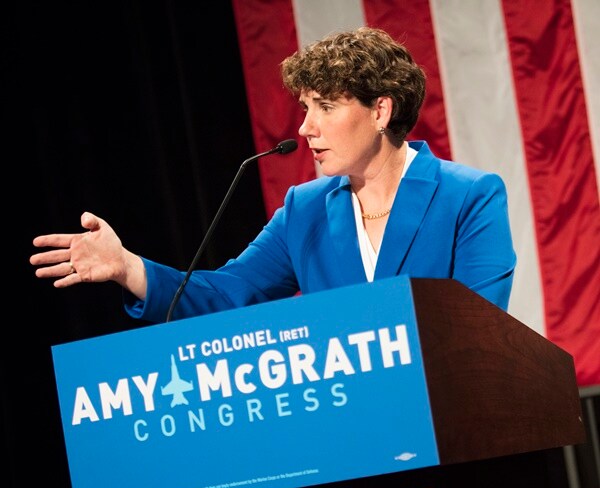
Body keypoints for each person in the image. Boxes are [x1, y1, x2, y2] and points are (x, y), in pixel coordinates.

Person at [30, 27, 516, 324]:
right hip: (339, 451)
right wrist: (129, 268)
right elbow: (226, 295)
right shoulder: (304, 210)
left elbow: (481, 330)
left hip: (448, 442)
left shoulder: (467, 197)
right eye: (306, 108)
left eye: (325, 107)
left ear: (380, 110)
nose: (305, 127)